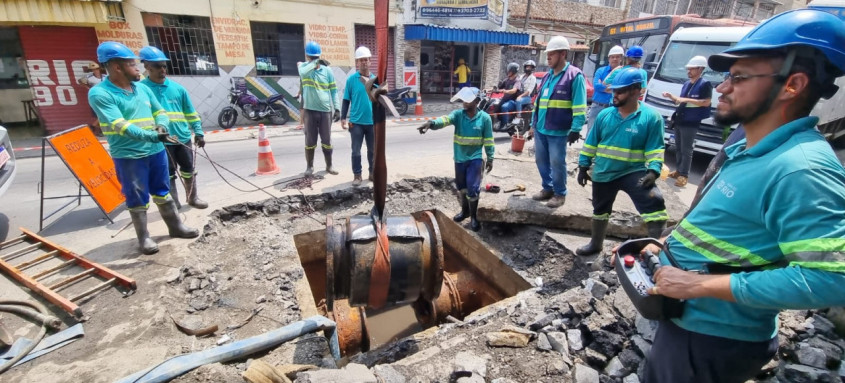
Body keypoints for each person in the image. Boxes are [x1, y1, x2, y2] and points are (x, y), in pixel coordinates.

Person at [632, 10, 845, 383]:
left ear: (792, 85)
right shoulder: (750, 148)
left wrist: (697, 285)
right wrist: (668, 245)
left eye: (739, 77)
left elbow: (833, 279)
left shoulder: (801, 168)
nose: (722, 88)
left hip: (715, 339)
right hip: (690, 321)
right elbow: (729, 227)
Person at [88, 42, 198, 255]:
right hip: (130, 155)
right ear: (116, 67)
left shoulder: (143, 89)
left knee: (162, 190)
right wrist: (151, 135)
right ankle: (144, 237)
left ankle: (175, 227)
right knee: (136, 197)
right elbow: (120, 125)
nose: (138, 68)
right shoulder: (100, 93)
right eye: (132, 64)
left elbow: (160, 112)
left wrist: (162, 125)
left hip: (156, 151)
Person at [575, 67, 668, 256]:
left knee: (654, 202)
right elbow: (591, 143)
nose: (614, 96)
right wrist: (583, 165)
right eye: (613, 91)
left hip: (632, 172)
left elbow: (655, 148)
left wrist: (653, 171)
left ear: (635, 91)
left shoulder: (651, 118)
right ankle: (596, 244)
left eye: (620, 91)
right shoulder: (605, 115)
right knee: (600, 209)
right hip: (604, 171)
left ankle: (657, 248)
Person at [139, 46, 208, 210]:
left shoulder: (177, 89)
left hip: (182, 137)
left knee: (188, 169)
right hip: (161, 142)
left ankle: (192, 197)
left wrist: (198, 132)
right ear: (147, 66)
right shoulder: (141, 90)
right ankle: (174, 204)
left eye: (164, 66)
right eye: (158, 66)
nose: (162, 70)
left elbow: (190, 112)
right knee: (167, 174)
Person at [417, 87, 494, 232]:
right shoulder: (458, 115)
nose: (464, 102)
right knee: (462, 188)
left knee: (473, 188)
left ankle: (474, 217)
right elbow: (445, 120)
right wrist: (431, 123)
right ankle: (464, 211)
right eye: (463, 99)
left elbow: (489, 140)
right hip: (459, 158)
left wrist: (490, 158)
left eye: (468, 99)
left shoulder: (485, 118)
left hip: (475, 158)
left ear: (477, 101)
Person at [527, 36, 587, 208]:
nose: (548, 58)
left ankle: (560, 193)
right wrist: (532, 125)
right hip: (541, 128)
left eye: (551, 55)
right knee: (541, 160)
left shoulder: (574, 76)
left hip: (558, 131)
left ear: (563, 54)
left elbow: (580, 106)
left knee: (557, 162)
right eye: (548, 55)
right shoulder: (547, 77)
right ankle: (548, 188)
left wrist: (576, 128)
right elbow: (538, 104)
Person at [662, 55, 713, 187]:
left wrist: (686, 100)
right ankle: (679, 171)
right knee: (678, 147)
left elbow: (706, 102)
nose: (689, 71)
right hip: (680, 119)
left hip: (691, 122)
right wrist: (671, 97)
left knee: (686, 149)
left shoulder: (705, 84)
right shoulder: (686, 84)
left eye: (692, 69)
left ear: (700, 69)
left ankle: (684, 175)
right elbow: (681, 101)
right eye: (688, 69)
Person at [299, 41, 341, 176]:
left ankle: (329, 165)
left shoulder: (327, 71)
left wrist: (337, 108)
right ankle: (309, 167)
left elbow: (333, 91)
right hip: (309, 112)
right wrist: (313, 63)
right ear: (307, 57)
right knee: (310, 141)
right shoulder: (304, 68)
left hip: (325, 111)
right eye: (311, 57)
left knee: (327, 141)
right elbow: (303, 72)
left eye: (315, 57)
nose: (314, 60)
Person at [341, 46, 376, 186]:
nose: (363, 62)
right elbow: (345, 100)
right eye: (360, 60)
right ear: (357, 62)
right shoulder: (351, 80)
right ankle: (357, 175)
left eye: (365, 60)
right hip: (356, 122)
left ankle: (372, 173)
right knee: (356, 150)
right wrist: (343, 117)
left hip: (372, 122)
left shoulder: (376, 79)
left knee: (372, 150)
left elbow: (380, 101)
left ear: (370, 61)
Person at [588, 45, 624, 133]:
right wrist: (613, 89)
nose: (615, 59)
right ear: (609, 58)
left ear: (621, 59)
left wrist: (605, 86)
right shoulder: (601, 70)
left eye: (617, 57)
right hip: (597, 106)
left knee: (608, 134)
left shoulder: (623, 73)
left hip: (613, 108)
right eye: (612, 57)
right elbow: (596, 86)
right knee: (591, 133)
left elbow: (622, 89)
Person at [78, 62, 105, 135]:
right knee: (101, 114)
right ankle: (95, 127)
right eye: (93, 69)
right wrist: (88, 88)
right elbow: (80, 81)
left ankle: (95, 127)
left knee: (103, 114)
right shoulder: (89, 77)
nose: (95, 71)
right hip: (95, 97)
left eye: (96, 69)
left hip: (105, 97)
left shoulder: (105, 77)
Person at [494, 62, 523, 130]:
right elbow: (499, 89)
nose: (508, 72)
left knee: (504, 107)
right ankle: (498, 122)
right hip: (505, 99)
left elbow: (514, 90)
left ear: (513, 71)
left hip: (513, 101)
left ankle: (505, 124)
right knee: (495, 105)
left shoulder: (517, 81)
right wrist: (489, 90)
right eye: (508, 70)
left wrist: (505, 91)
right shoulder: (507, 80)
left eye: (509, 71)